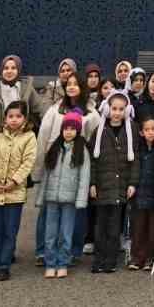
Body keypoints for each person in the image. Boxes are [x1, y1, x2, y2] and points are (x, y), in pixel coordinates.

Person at [0, 100, 38, 282]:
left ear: (25, 118)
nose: (14, 120)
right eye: (10, 116)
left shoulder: (29, 138)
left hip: (15, 194)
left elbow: (28, 162)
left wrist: (15, 181)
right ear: (5, 118)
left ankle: (4, 265)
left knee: (9, 231)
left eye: (18, 116)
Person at [38, 110, 90, 279]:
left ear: (78, 131)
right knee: (50, 232)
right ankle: (50, 262)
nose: (69, 132)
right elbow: (46, 175)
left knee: (65, 232)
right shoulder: (54, 148)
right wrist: (41, 196)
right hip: (52, 198)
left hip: (70, 199)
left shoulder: (82, 150)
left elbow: (84, 177)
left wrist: (81, 199)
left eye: (72, 129)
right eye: (66, 128)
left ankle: (63, 262)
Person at [88, 93, 137, 274]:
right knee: (100, 226)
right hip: (102, 187)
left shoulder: (131, 129)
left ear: (127, 110)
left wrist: (132, 183)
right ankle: (98, 259)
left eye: (121, 109)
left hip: (120, 187)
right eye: (114, 109)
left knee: (115, 226)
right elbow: (93, 160)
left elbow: (135, 159)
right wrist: (92, 183)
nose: (117, 113)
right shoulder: (99, 131)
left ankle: (110, 260)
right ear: (107, 109)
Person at [128, 116, 154, 271]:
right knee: (138, 227)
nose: (150, 133)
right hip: (139, 193)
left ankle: (151, 258)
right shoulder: (137, 149)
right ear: (141, 132)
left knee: (153, 228)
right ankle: (137, 258)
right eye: (147, 130)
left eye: (153, 129)